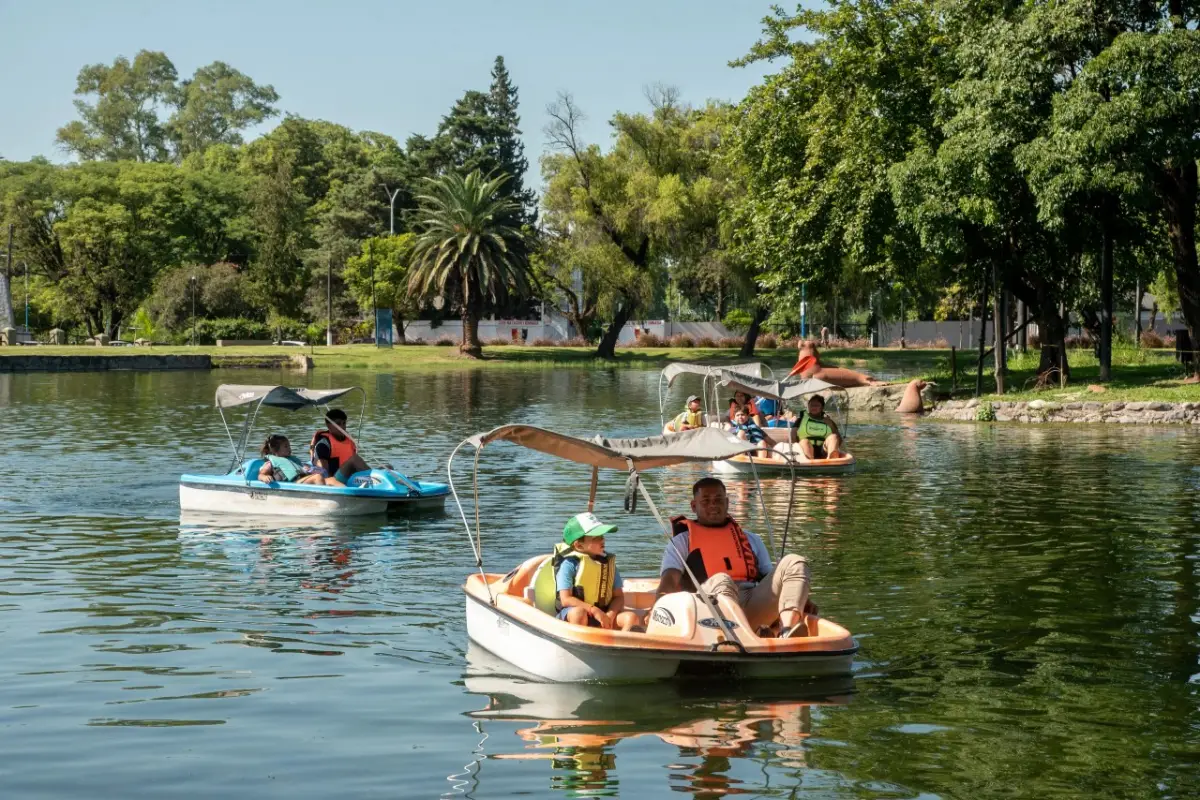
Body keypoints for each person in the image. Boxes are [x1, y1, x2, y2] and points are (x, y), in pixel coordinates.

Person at [657, 477, 813, 638]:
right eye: (705, 501)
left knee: (794, 561)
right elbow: (668, 581)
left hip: (750, 605)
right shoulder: (682, 542)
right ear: (694, 506)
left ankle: (787, 630)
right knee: (722, 580)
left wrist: (803, 598)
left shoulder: (751, 539)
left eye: (718, 500)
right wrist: (657, 611)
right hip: (707, 613)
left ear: (727, 502)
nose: (713, 505)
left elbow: (772, 580)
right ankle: (742, 635)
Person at [554, 513, 641, 631]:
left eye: (602, 536)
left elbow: (618, 597)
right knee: (579, 614)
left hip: (603, 614)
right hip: (575, 613)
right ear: (579, 545)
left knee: (632, 618)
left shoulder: (608, 564)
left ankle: (619, 646)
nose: (603, 540)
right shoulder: (569, 565)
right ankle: (582, 646)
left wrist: (610, 615)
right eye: (596, 537)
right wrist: (593, 610)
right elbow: (566, 600)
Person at [310, 408, 370, 486]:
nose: (342, 426)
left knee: (387, 468)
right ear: (328, 425)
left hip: (350, 477)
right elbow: (324, 474)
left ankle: (374, 480)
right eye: (338, 424)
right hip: (333, 479)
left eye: (344, 423)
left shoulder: (349, 439)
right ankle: (374, 481)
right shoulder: (323, 445)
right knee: (354, 459)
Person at [257, 435, 328, 485]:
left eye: (289, 446)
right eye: (286, 446)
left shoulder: (293, 460)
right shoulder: (270, 463)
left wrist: (309, 469)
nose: (289, 448)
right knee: (318, 478)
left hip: (302, 479)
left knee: (331, 480)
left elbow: (303, 469)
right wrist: (264, 477)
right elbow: (261, 474)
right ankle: (323, 501)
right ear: (275, 450)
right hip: (293, 483)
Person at [797, 395, 843, 459]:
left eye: (817, 405)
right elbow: (793, 435)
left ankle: (832, 461)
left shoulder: (829, 421)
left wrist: (831, 425)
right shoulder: (800, 419)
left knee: (834, 437)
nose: (814, 407)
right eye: (812, 405)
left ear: (822, 408)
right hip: (804, 449)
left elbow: (839, 440)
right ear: (808, 406)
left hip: (823, 449)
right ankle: (809, 463)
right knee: (805, 441)